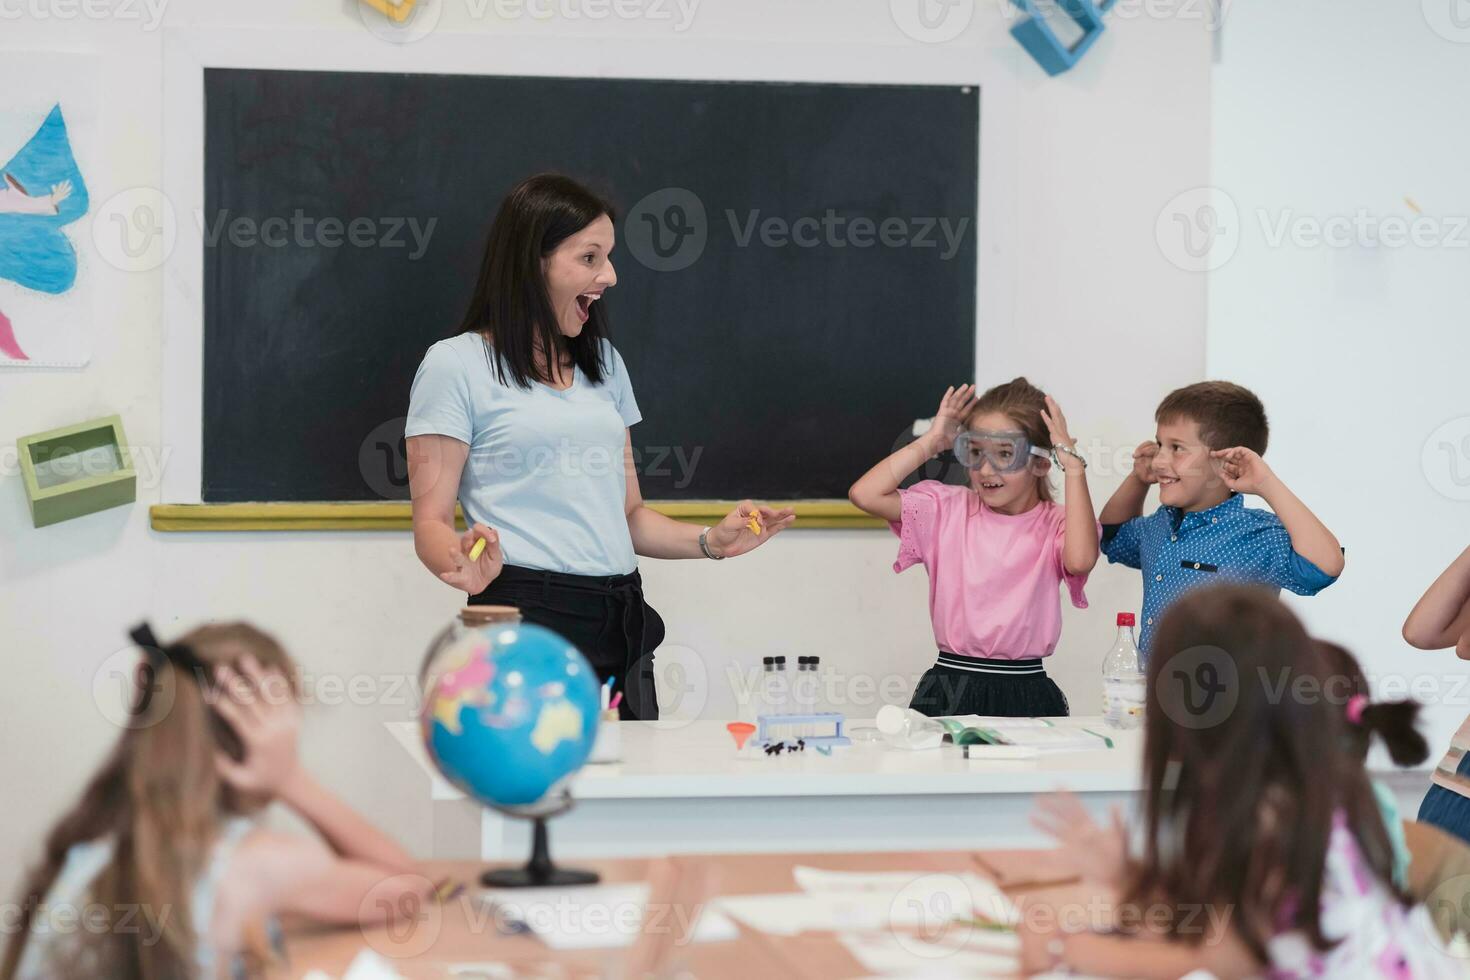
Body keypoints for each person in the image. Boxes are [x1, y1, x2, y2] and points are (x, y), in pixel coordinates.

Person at [407, 174, 794, 720]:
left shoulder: (604, 364)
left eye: (608, 258)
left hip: (623, 618)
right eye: (589, 258)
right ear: (531, 261)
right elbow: (430, 522)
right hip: (525, 616)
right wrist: (458, 560)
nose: (608, 276)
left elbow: (628, 515)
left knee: (634, 796)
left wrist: (712, 541)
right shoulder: (455, 364)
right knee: (536, 793)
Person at [3, 623, 429, 980]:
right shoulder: (254, 863)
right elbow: (405, 890)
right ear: (254, 738)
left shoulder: (91, 841)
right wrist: (290, 779)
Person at [848, 377, 1099, 717]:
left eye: (1006, 454)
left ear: (1041, 463)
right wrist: (933, 441)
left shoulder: (1058, 523)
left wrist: (1072, 465)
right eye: (975, 452)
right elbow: (865, 495)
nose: (985, 469)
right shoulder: (946, 509)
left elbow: (1081, 560)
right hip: (950, 686)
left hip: (1027, 690)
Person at [1099, 381, 1344, 659]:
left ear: (1225, 461)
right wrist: (1137, 480)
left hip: (1231, 699)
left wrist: (1267, 483)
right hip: (1155, 697)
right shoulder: (1159, 526)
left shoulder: (1256, 534)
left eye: (1177, 448)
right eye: (1159, 445)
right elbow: (1111, 536)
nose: (1158, 461)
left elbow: (1324, 567)